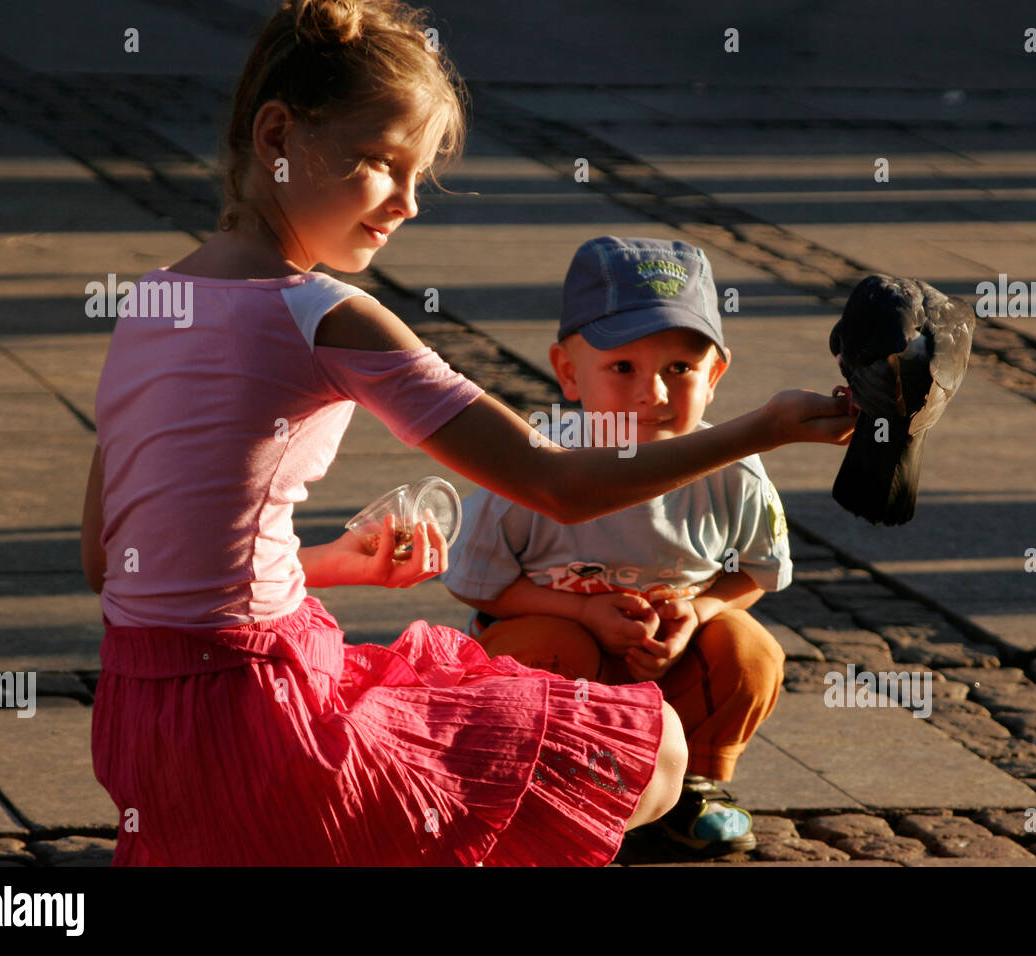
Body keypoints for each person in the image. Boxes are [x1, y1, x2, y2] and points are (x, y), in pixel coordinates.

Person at [81, 0, 855, 866]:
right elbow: (557, 484)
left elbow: (112, 562)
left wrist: (338, 564)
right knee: (659, 750)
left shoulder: (149, 301)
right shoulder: (327, 315)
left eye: (421, 177)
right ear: (276, 136)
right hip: (267, 728)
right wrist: (763, 429)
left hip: (148, 738)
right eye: (382, 164)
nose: (408, 203)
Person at [444, 236, 792, 855]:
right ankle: (544, 782)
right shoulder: (535, 464)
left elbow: (756, 571)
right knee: (546, 647)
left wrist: (702, 611)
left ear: (714, 375)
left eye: (679, 369)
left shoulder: (735, 471)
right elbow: (477, 581)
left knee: (749, 649)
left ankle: (696, 785)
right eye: (623, 368)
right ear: (569, 372)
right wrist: (581, 611)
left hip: (668, 666)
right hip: (562, 658)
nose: (652, 394)